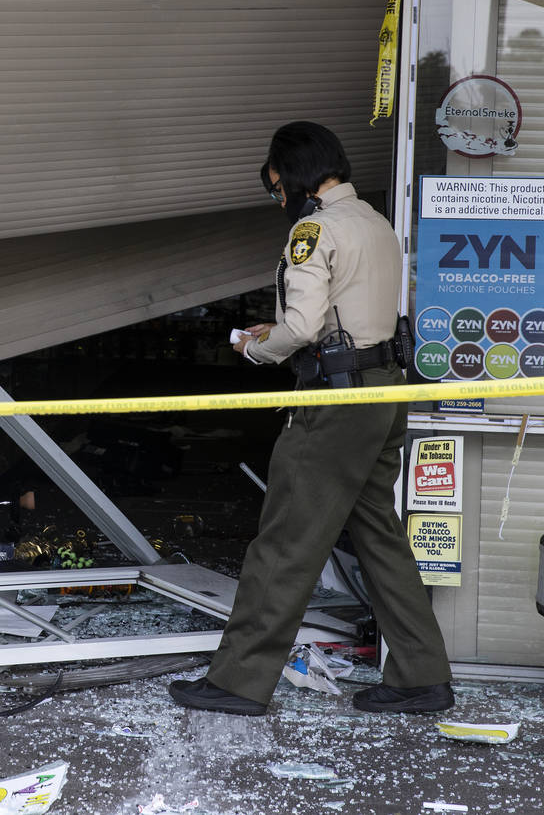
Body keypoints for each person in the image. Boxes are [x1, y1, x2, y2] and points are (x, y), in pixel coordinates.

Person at [169, 121, 454, 716]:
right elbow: (348, 315)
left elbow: (302, 327)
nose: (280, 201)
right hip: (384, 394)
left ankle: (238, 682)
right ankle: (421, 675)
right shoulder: (378, 224)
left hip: (336, 402)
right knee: (379, 536)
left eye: (278, 188)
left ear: (296, 176)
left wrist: (255, 346)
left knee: (285, 539)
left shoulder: (313, 228)